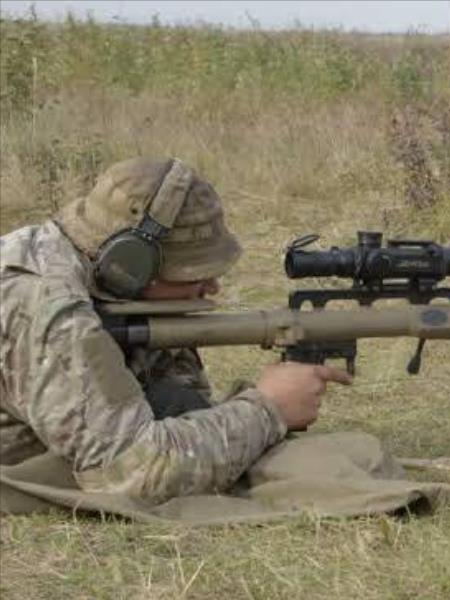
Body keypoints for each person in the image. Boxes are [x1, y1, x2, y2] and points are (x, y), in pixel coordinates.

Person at [0, 157, 354, 503]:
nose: (211, 286)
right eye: (193, 272)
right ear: (131, 266)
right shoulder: (46, 304)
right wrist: (268, 409)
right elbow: (133, 472)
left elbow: (179, 406)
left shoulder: (109, 283)